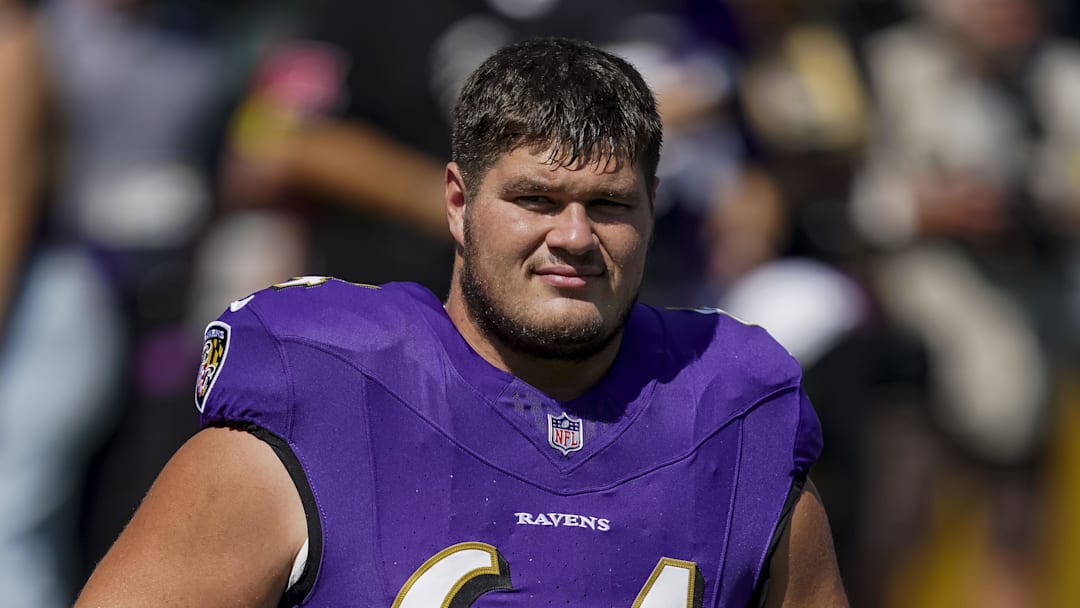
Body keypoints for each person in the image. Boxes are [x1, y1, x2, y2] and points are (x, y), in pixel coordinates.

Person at [76, 37, 847, 607]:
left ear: (650, 210)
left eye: (609, 205)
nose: (575, 237)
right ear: (458, 202)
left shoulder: (736, 420)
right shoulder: (315, 399)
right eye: (536, 200)